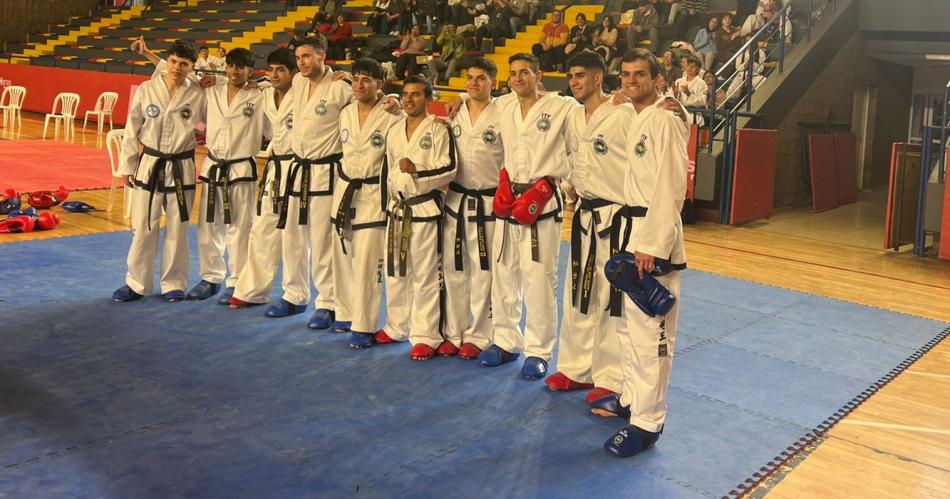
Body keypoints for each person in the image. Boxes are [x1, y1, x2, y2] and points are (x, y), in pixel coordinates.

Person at [595, 48, 688, 458]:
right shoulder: (637, 116)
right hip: (629, 228)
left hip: (653, 236)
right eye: (626, 74)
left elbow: (671, 185)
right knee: (628, 330)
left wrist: (651, 245)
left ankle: (648, 423)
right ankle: (631, 398)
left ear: (657, 79)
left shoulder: (666, 119)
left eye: (640, 75)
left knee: (652, 334)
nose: (631, 81)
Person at [476, 53, 575, 379]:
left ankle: (538, 349)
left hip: (542, 200)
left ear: (538, 74)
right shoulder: (502, 105)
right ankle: (505, 340)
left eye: (524, 73)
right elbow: (470, 103)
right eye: (513, 73)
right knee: (504, 275)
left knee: (538, 281)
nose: (518, 78)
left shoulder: (561, 107)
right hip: (508, 197)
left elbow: (597, 112)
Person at [547, 50, 633, 403]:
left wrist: (675, 104)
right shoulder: (571, 115)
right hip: (583, 214)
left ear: (599, 78)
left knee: (612, 299)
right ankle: (576, 368)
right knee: (579, 292)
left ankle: (611, 376)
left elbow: (660, 124)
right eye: (571, 76)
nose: (574, 82)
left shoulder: (623, 113)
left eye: (581, 75)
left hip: (616, 216)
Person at [267, 36, 353, 328]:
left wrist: (389, 101)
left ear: (322, 56)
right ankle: (294, 294)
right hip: (297, 169)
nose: (301, 62)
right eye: (299, 57)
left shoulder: (341, 87)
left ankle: (328, 302)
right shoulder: (298, 83)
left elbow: (373, 101)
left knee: (323, 240)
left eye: (307, 56)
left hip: (326, 171)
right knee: (291, 235)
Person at [112, 41, 206, 303]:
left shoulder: (200, 92)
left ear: (192, 67)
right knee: (143, 226)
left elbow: (222, 111)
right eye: (174, 61)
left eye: (184, 64)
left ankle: (174, 283)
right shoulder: (146, 89)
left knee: (177, 227)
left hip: (182, 166)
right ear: (167, 61)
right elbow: (132, 129)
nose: (177, 67)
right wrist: (127, 166)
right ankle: (136, 283)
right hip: (150, 163)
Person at [378, 75, 457, 360]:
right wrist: (385, 203)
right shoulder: (394, 129)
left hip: (425, 209)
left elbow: (450, 168)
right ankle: (396, 325)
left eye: (416, 94)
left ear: (428, 98)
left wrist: (417, 172)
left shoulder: (439, 130)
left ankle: (427, 334)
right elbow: (386, 169)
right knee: (397, 269)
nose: (409, 99)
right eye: (406, 94)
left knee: (425, 274)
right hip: (397, 209)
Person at [333, 58, 406, 349]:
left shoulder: (393, 117)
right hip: (345, 191)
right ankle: (344, 312)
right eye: (355, 79)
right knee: (343, 257)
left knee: (366, 263)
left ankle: (363, 324)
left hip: (375, 196)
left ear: (380, 84)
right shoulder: (346, 113)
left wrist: (397, 104)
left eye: (366, 79)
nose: (359, 85)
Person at [185, 48, 269, 303]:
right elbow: (181, 80)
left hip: (241, 167)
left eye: (241, 67)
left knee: (241, 227)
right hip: (214, 164)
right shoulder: (212, 90)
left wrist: (263, 83)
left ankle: (238, 280)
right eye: (231, 66)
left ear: (250, 71)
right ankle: (211, 277)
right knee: (209, 225)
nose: (234, 71)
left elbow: (278, 98)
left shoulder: (259, 96)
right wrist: (207, 82)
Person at [441, 57, 504, 360]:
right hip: (456, 199)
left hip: (489, 203)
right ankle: (454, 331)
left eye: (481, 78)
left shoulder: (504, 112)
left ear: (494, 82)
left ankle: (479, 334)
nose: (474, 83)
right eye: (469, 78)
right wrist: (461, 97)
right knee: (454, 268)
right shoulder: (455, 111)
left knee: (483, 271)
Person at [229, 48, 298, 309]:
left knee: (294, 235)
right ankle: (252, 290)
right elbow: (237, 87)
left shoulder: (306, 92)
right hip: (275, 166)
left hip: (299, 168)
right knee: (261, 229)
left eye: (281, 69)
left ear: (293, 73)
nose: (275, 74)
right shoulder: (265, 94)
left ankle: (295, 295)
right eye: (271, 69)